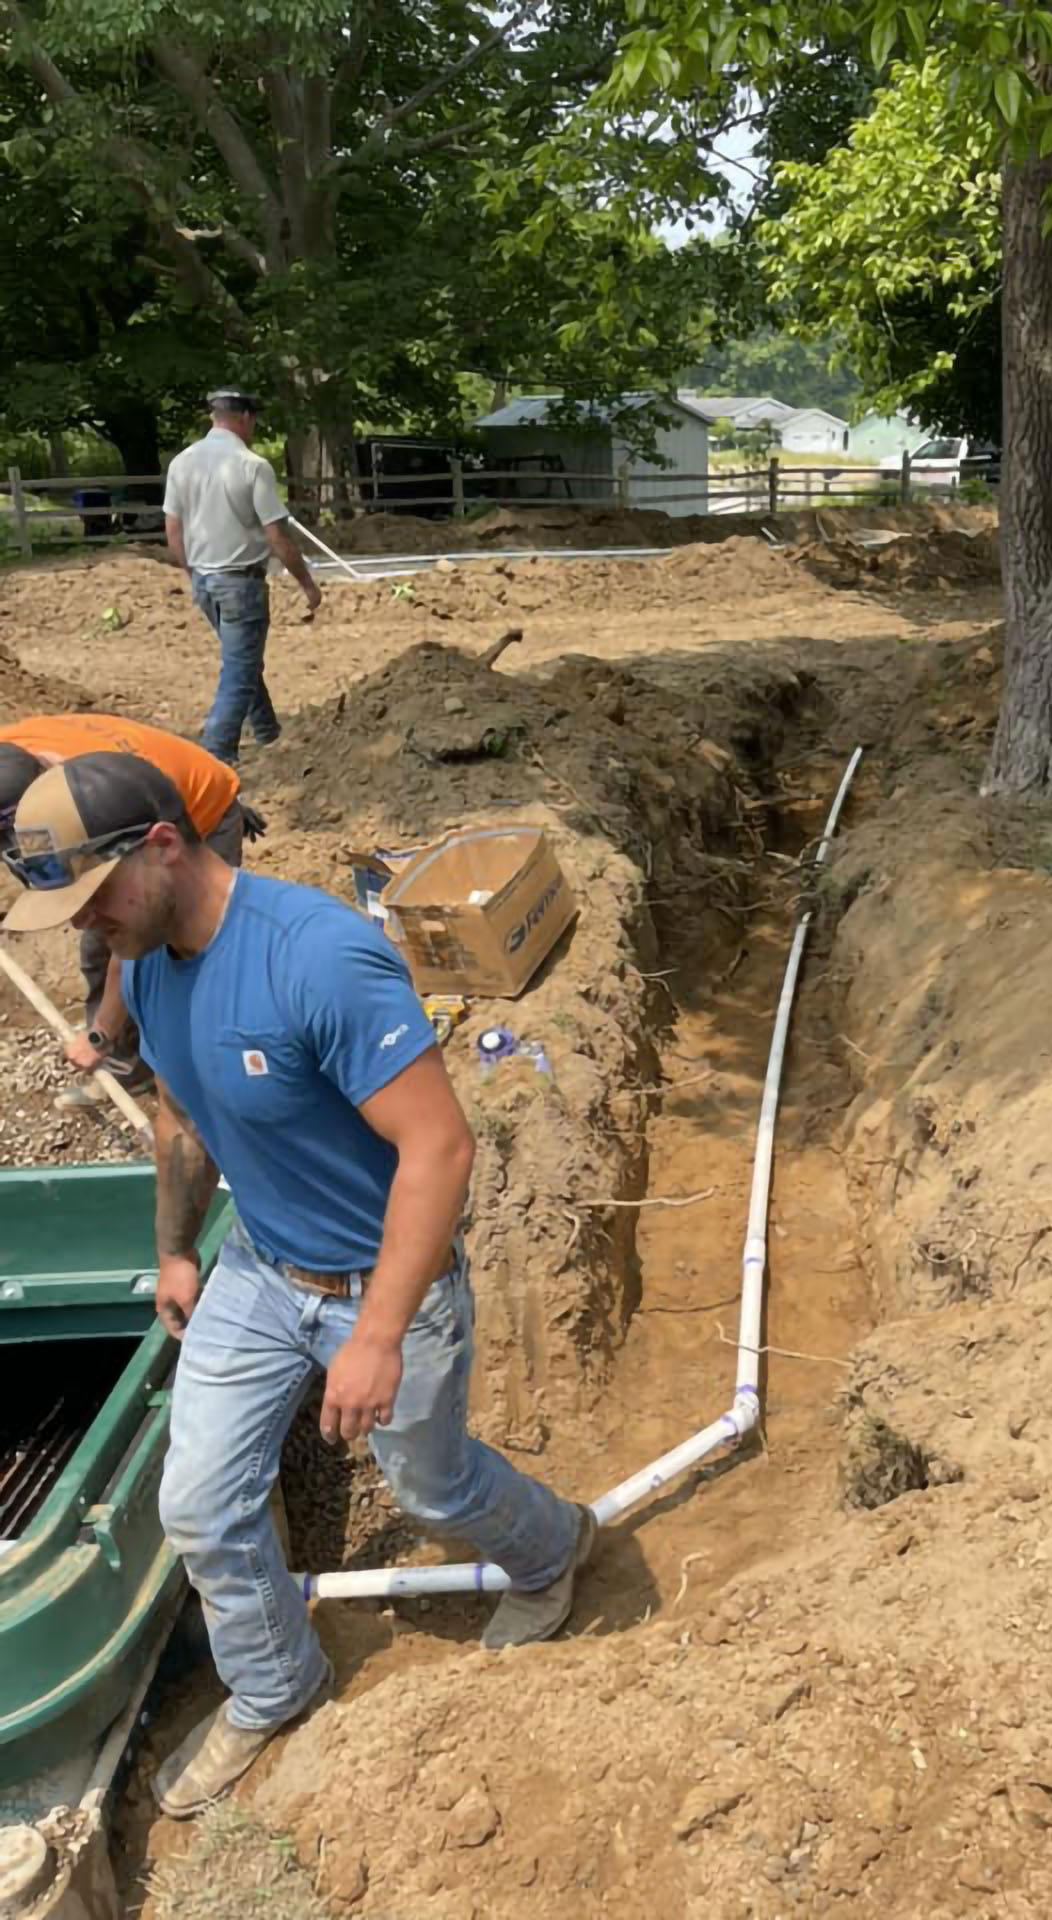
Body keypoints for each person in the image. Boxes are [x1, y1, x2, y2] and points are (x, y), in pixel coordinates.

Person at [1, 753, 594, 1818]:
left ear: (164, 846)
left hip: (380, 1280)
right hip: (259, 1270)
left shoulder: (314, 957)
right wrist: (178, 1249)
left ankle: (554, 1553)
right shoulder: (144, 961)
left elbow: (441, 1151)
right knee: (197, 1503)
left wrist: (375, 1333)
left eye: (97, 898)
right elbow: (181, 1120)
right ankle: (277, 1683)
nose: (90, 930)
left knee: (433, 1488)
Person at [0, 712, 261, 1099]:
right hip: (170, 778)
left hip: (202, 803)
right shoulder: (12, 751)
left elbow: (131, 941)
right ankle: (131, 1070)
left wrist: (98, 1034)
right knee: (100, 941)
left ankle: (213, 1075)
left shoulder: (100, 797)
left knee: (171, 949)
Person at [163, 389, 322, 767]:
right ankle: (216, 751)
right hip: (241, 582)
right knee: (239, 669)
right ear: (246, 418)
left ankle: (268, 732)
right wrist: (307, 584)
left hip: (204, 578)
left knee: (242, 661)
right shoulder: (252, 465)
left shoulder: (182, 463)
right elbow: (276, 536)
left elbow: (172, 529)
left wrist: (192, 571)